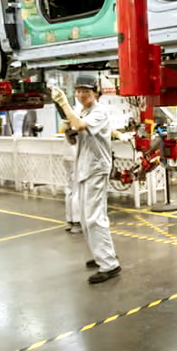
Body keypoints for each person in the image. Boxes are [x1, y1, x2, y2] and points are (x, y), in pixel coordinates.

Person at [52, 74, 120, 284]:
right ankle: (101, 254)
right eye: (79, 91)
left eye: (86, 92)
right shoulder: (83, 110)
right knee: (85, 216)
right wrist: (69, 133)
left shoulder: (99, 112)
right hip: (84, 168)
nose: (81, 95)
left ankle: (109, 264)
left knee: (94, 217)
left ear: (95, 93)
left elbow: (81, 126)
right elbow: (76, 135)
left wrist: (63, 103)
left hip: (96, 170)